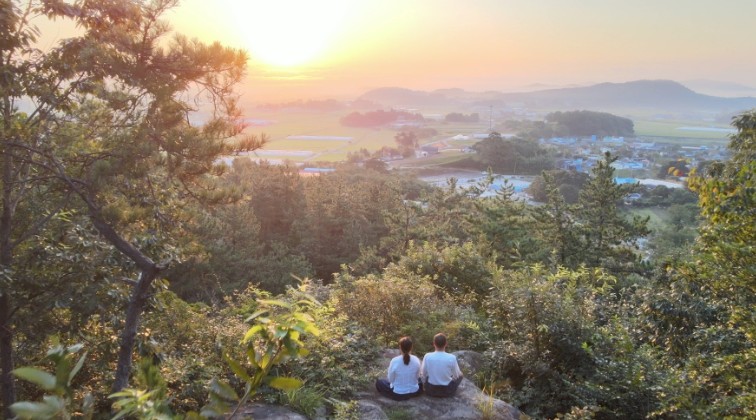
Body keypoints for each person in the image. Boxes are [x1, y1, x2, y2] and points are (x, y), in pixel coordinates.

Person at [375, 336, 423, 401]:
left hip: (398, 394)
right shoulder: (416, 359)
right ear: (411, 347)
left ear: (400, 347)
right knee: (420, 381)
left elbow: (391, 379)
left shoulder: (395, 361)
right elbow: (417, 377)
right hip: (414, 392)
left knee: (379, 382)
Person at [421, 333, 463, 397]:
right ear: (446, 344)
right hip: (447, 391)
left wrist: (424, 384)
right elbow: (457, 375)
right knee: (461, 375)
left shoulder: (427, 356)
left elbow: (423, 374)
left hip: (430, 390)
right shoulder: (451, 357)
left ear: (434, 344)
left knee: (427, 376)